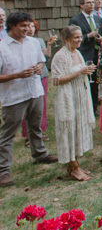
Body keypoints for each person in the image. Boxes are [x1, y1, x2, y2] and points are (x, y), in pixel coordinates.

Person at [0, 12, 58, 187]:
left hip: (35, 90)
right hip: (14, 95)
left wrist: (39, 67)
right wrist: (17, 75)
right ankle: (3, 171)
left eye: (28, 25)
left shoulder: (33, 43)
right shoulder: (2, 47)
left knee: (35, 125)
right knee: (8, 132)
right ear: (11, 26)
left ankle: (40, 154)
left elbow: (41, 61)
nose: (27, 29)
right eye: (22, 26)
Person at [50, 24, 97, 181]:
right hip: (68, 96)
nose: (79, 40)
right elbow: (56, 80)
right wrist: (79, 72)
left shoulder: (77, 53)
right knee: (69, 130)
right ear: (66, 39)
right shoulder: (61, 56)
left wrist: (87, 71)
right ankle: (73, 166)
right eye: (76, 37)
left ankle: (75, 164)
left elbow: (80, 72)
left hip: (80, 94)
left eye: (80, 37)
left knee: (78, 128)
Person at [21, 20, 57, 146]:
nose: (30, 29)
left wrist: (49, 45)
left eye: (32, 26)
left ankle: (40, 131)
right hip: (28, 76)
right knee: (28, 106)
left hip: (43, 75)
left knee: (41, 105)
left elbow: (46, 58)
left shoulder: (39, 40)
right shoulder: (21, 43)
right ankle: (27, 136)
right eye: (28, 26)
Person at [69, 0, 102, 115]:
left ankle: (94, 107)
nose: (91, 4)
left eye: (92, 2)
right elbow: (72, 38)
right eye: (88, 3)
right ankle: (84, 106)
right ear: (81, 5)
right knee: (85, 81)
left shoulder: (98, 19)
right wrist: (88, 36)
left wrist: (101, 39)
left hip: (97, 54)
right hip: (84, 54)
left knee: (95, 81)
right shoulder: (75, 20)